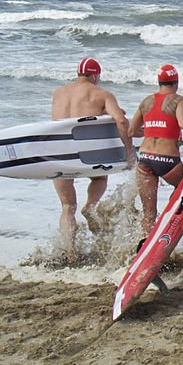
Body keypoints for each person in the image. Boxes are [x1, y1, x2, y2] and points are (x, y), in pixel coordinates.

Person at [50, 57, 134, 252]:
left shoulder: (58, 93)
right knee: (99, 177)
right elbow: (121, 121)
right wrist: (128, 150)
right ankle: (90, 206)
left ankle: (69, 252)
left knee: (67, 207)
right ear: (95, 75)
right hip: (87, 153)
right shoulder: (102, 94)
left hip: (60, 153)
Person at [127, 64, 183, 234]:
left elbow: (131, 131)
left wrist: (152, 130)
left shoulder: (146, 101)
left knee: (148, 213)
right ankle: (170, 224)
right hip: (167, 161)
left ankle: (144, 243)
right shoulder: (180, 100)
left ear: (159, 82)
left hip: (144, 159)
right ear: (176, 82)